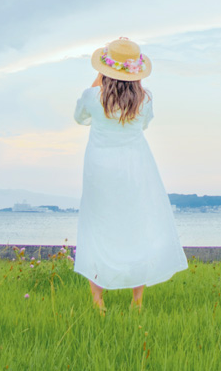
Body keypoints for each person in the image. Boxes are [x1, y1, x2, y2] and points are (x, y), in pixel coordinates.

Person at [73, 36, 188, 312]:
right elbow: (144, 125)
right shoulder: (144, 99)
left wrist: (99, 77)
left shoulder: (93, 96)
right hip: (136, 166)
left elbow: (79, 118)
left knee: (97, 226)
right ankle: (137, 301)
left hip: (100, 168)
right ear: (136, 71)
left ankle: (98, 302)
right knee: (138, 225)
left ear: (105, 68)